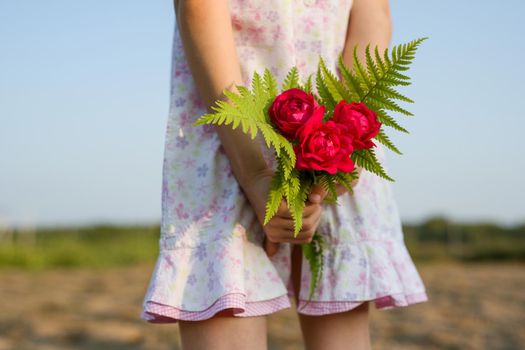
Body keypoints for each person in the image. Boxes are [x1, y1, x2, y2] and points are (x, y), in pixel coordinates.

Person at [140, 0, 429, 349]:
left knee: (224, 291)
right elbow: (373, 19)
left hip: (242, 119)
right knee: (340, 329)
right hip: (266, 119)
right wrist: (342, 140)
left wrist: (331, 154)